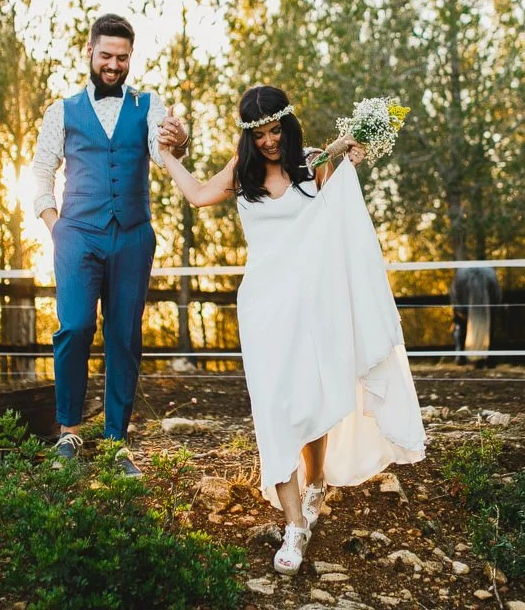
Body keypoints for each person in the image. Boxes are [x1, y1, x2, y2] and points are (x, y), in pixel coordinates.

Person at [159, 85, 425, 574]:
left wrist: (350, 162)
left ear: (288, 123)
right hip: (264, 306)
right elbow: (197, 196)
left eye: (275, 129)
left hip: (312, 304)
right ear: (247, 136)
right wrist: (165, 157)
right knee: (275, 407)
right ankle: (294, 524)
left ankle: (317, 477)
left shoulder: (312, 163)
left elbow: (337, 218)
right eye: (258, 134)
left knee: (312, 398)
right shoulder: (243, 174)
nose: (268, 141)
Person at [28, 13, 188, 477]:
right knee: (75, 328)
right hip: (76, 233)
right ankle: (69, 433)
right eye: (106, 56)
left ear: (130, 57)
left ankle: (117, 441)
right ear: (90, 52)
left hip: (133, 235)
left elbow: (166, 151)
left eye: (122, 58)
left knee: (123, 335)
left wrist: (180, 138)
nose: (114, 66)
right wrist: (53, 222)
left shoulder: (149, 104)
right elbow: (41, 169)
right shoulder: (62, 110)